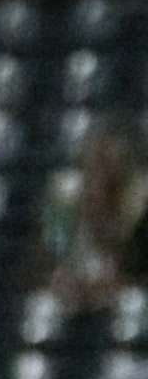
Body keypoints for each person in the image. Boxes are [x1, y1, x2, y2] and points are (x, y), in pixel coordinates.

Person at [39, 119, 148, 312]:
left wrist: (99, 207)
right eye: (97, 162)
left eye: (110, 164)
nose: (102, 172)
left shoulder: (139, 196)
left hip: (128, 283)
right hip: (77, 282)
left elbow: (128, 254)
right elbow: (55, 249)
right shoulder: (65, 194)